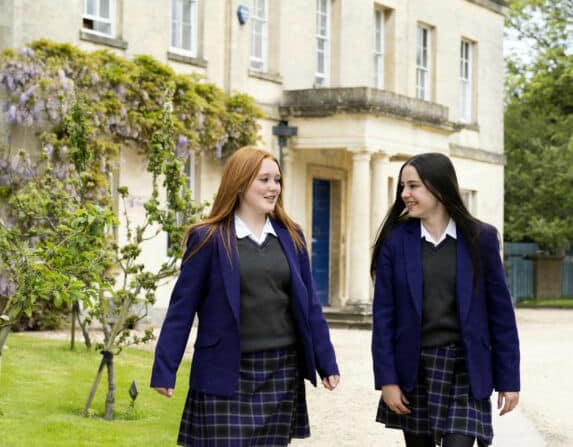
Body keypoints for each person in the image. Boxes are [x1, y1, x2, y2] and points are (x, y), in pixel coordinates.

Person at [151, 146, 340, 446]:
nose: (273, 187)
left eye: (277, 180)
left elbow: (310, 306)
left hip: (281, 371)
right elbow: (181, 309)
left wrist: (326, 361)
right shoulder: (208, 238)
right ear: (239, 183)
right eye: (264, 179)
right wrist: (165, 369)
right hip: (225, 370)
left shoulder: (292, 237)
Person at [370, 152, 520, 447]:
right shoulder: (395, 240)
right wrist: (388, 381)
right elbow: (384, 317)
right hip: (414, 370)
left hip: (466, 369)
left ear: (438, 187)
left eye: (413, 186)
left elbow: (501, 315)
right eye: (403, 187)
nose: (405, 194)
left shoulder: (482, 238)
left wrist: (509, 380)